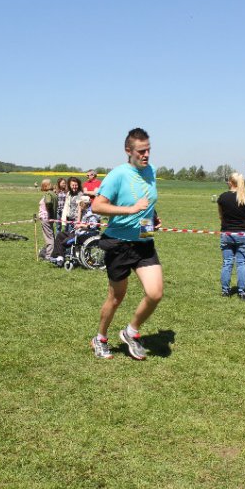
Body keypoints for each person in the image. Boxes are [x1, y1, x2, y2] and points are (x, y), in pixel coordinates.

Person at [91, 127, 162, 361]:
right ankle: (100, 338)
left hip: (143, 240)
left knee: (155, 293)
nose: (146, 155)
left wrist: (153, 217)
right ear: (128, 151)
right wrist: (129, 210)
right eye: (141, 151)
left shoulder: (151, 171)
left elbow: (148, 201)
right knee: (116, 297)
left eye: (148, 149)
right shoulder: (118, 174)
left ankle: (131, 332)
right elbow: (97, 206)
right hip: (119, 243)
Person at [217, 172, 245, 299]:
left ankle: (225, 290)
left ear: (231, 182)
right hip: (244, 234)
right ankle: (242, 291)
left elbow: (221, 215)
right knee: (242, 263)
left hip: (227, 233)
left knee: (227, 262)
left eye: (228, 180)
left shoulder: (223, 197)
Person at [37, 178, 57, 259]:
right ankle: (52, 253)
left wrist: (48, 214)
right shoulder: (53, 193)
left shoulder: (48, 194)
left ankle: (49, 256)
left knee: (49, 238)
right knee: (51, 235)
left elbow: (48, 203)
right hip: (49, 218)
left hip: (46, 218)